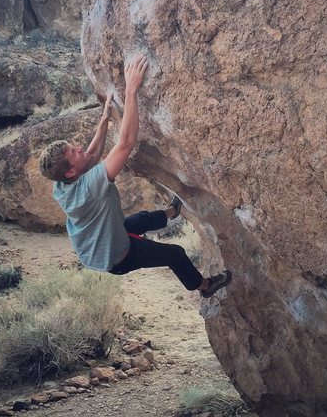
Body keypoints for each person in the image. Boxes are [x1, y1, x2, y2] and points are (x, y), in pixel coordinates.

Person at [39, 55, 231, 298]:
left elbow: (89, 156)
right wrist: (131, 90)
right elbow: (126, 144)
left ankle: (172, 213)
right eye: (72, 152)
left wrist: (105, 119)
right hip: (116, 257)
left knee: (139, 220)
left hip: (99, 239)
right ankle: (205, 286)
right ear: (70, 172)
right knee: (175, 254)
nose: (79, 148)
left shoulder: (62, 182)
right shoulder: (88, 188)